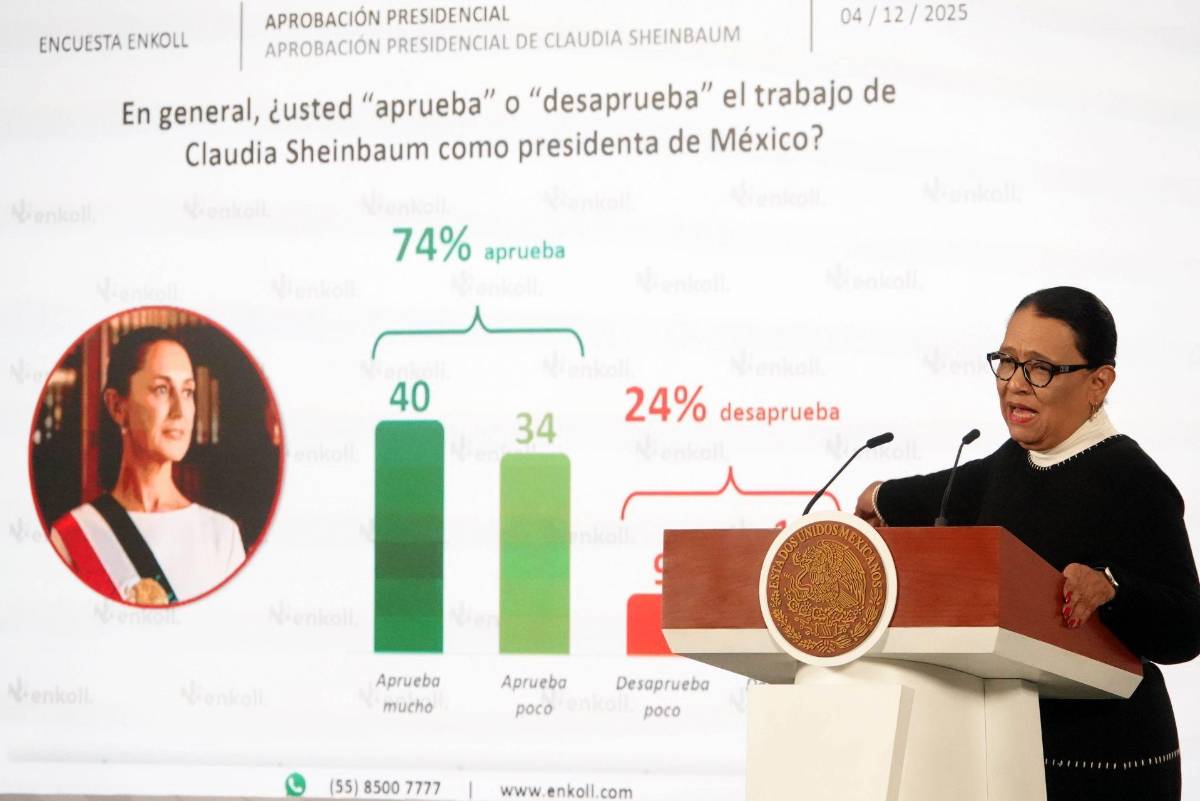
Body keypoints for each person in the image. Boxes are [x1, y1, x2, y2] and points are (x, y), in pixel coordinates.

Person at [853, 286, 1200, 800]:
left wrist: (1113, 589)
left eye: (1040, 368)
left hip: (1108, 764)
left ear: (1098, 382)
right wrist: (879, 499)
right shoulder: (1012, 462)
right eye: (1007, 362)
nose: (1015, 383)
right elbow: (947, 490)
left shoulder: (1132, 477)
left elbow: (1187, 627)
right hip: (1006, 757)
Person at [48, 327, 244, 605]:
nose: (180, 411)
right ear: (118, 406)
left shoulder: (222, 537)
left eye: (188, 391)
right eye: (162, 389)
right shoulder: (72, 536)